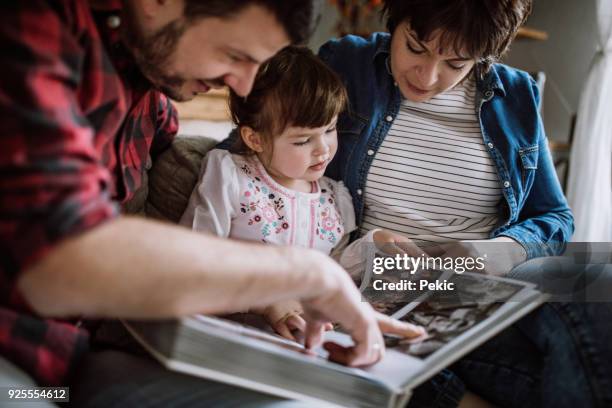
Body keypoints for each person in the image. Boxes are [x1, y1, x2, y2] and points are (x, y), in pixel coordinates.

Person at [0, 1, 411, 406]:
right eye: (234, 55)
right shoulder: (33, 28)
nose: (244, 87)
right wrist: (304, 274)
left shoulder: (148, 92)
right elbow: (57, 259)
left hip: (74, 366)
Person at [317, 0, 611, 406]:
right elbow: (258, 153)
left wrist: (492, 253)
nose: (428, 75)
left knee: (603, 280)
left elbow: (554, 218)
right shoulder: (347, 63)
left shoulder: (517, 94)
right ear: (397, 20)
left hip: (484, 280)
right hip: (383, 277)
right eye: (416, 47)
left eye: (456, 63)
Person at [180, 45, 425, 341]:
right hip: (232, 333)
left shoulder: (336, 197)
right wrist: (264, 300)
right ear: (255, 138)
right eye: (303, 140)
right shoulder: (231, 176)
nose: (323, 149)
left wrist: (375, 247)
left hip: (306, 340)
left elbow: (334, 270)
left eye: (330, 129)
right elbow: (193, 263)